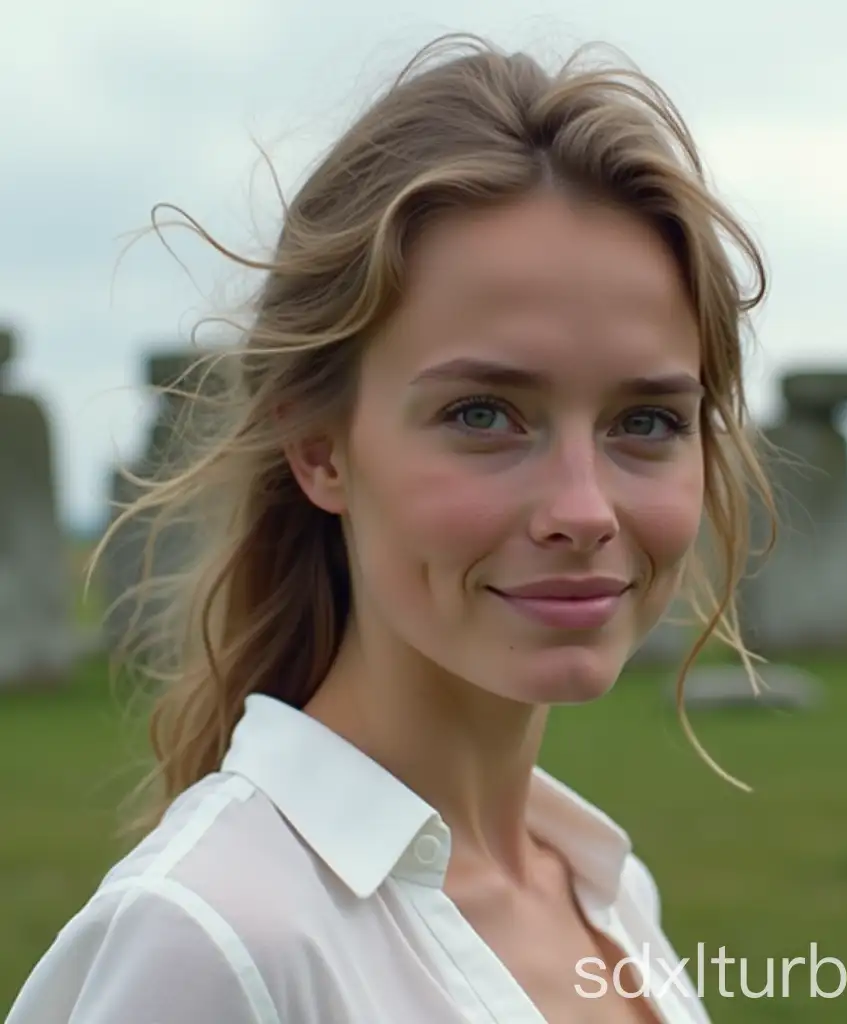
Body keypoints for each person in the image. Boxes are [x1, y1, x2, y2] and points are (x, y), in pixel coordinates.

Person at [6, 32, 774, 1024]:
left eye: (647, 421)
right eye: (484, 414)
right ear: (321, 451)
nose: (583, 511)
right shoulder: (214, 941)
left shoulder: (606, 890)